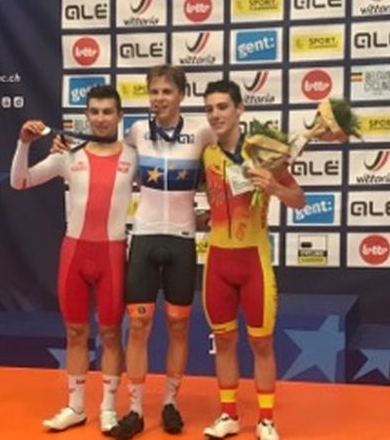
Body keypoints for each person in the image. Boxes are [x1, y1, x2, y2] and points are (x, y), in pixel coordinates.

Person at [10, 85, 137, 435]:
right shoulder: (68, 155)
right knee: (76, 331)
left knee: (110, 333)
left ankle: (108, 409)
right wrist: (23, 143)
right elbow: (19, 181)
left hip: (112, 254)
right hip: (75, 254)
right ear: (86, 115)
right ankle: (76, 407)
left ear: (120, 116)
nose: (100, 118)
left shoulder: (135, 156)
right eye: (94, 111)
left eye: (107, 112)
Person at [111, 65, 216, 440]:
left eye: (167, 91)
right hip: (144, 237)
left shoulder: (202, 132)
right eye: (154, 91)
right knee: (138, 326)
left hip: (182, 239)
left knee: (178, 325)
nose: (159, 98)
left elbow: (227, 162)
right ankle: (136, 409)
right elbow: (107, 159)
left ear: (181, 95)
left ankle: (171, 403)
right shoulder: (137, 132)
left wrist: (215, 210)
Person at [200, 80, 305, 440]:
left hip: (253, 261)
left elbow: (299, 199)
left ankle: (266, 420)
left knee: (261, 343)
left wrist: (273, 187)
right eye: (210, 109)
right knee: (224, 341)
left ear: (239, 109)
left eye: (223, 107)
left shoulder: (263, 151)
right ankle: (228, 415)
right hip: (217, 261)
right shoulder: (206, 154)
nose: (216, 114)